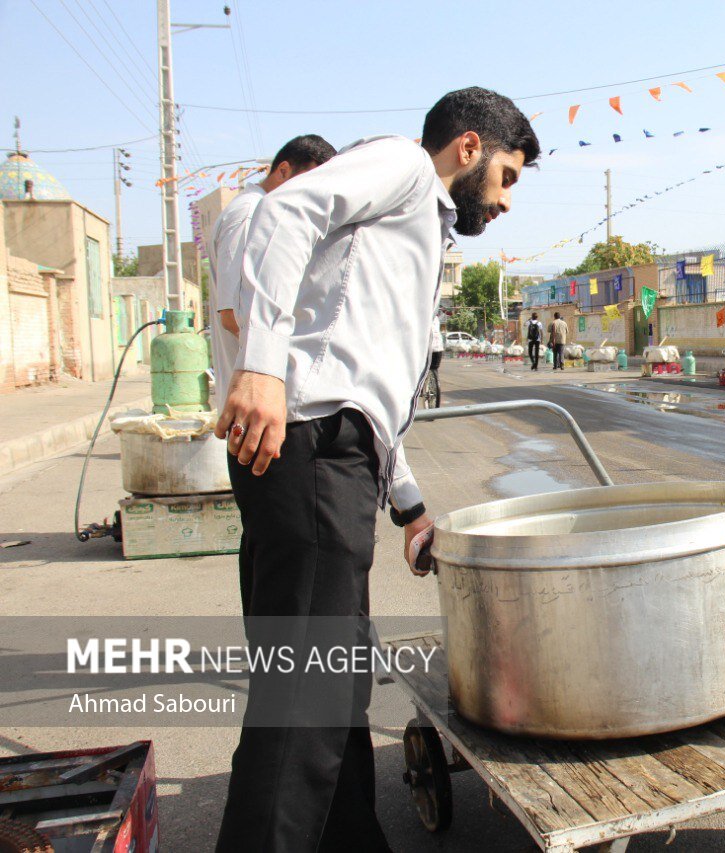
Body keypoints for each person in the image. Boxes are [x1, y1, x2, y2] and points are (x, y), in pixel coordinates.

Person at [213, 87, 539, 852]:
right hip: (311, 452)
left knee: (334, 682)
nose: (506, 201)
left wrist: (410, 506)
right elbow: (284, 213)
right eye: (507, 177)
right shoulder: (402, 165)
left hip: (339, 456)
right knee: (306, 699)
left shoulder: (418, 228)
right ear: (469, 147)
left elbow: (367, 386)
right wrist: (260, 363)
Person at [208, 135, 336, 412]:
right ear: (283, 170)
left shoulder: (265, 213)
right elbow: (232, 315)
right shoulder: (250, 214)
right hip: (255, 401)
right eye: (309, 181)